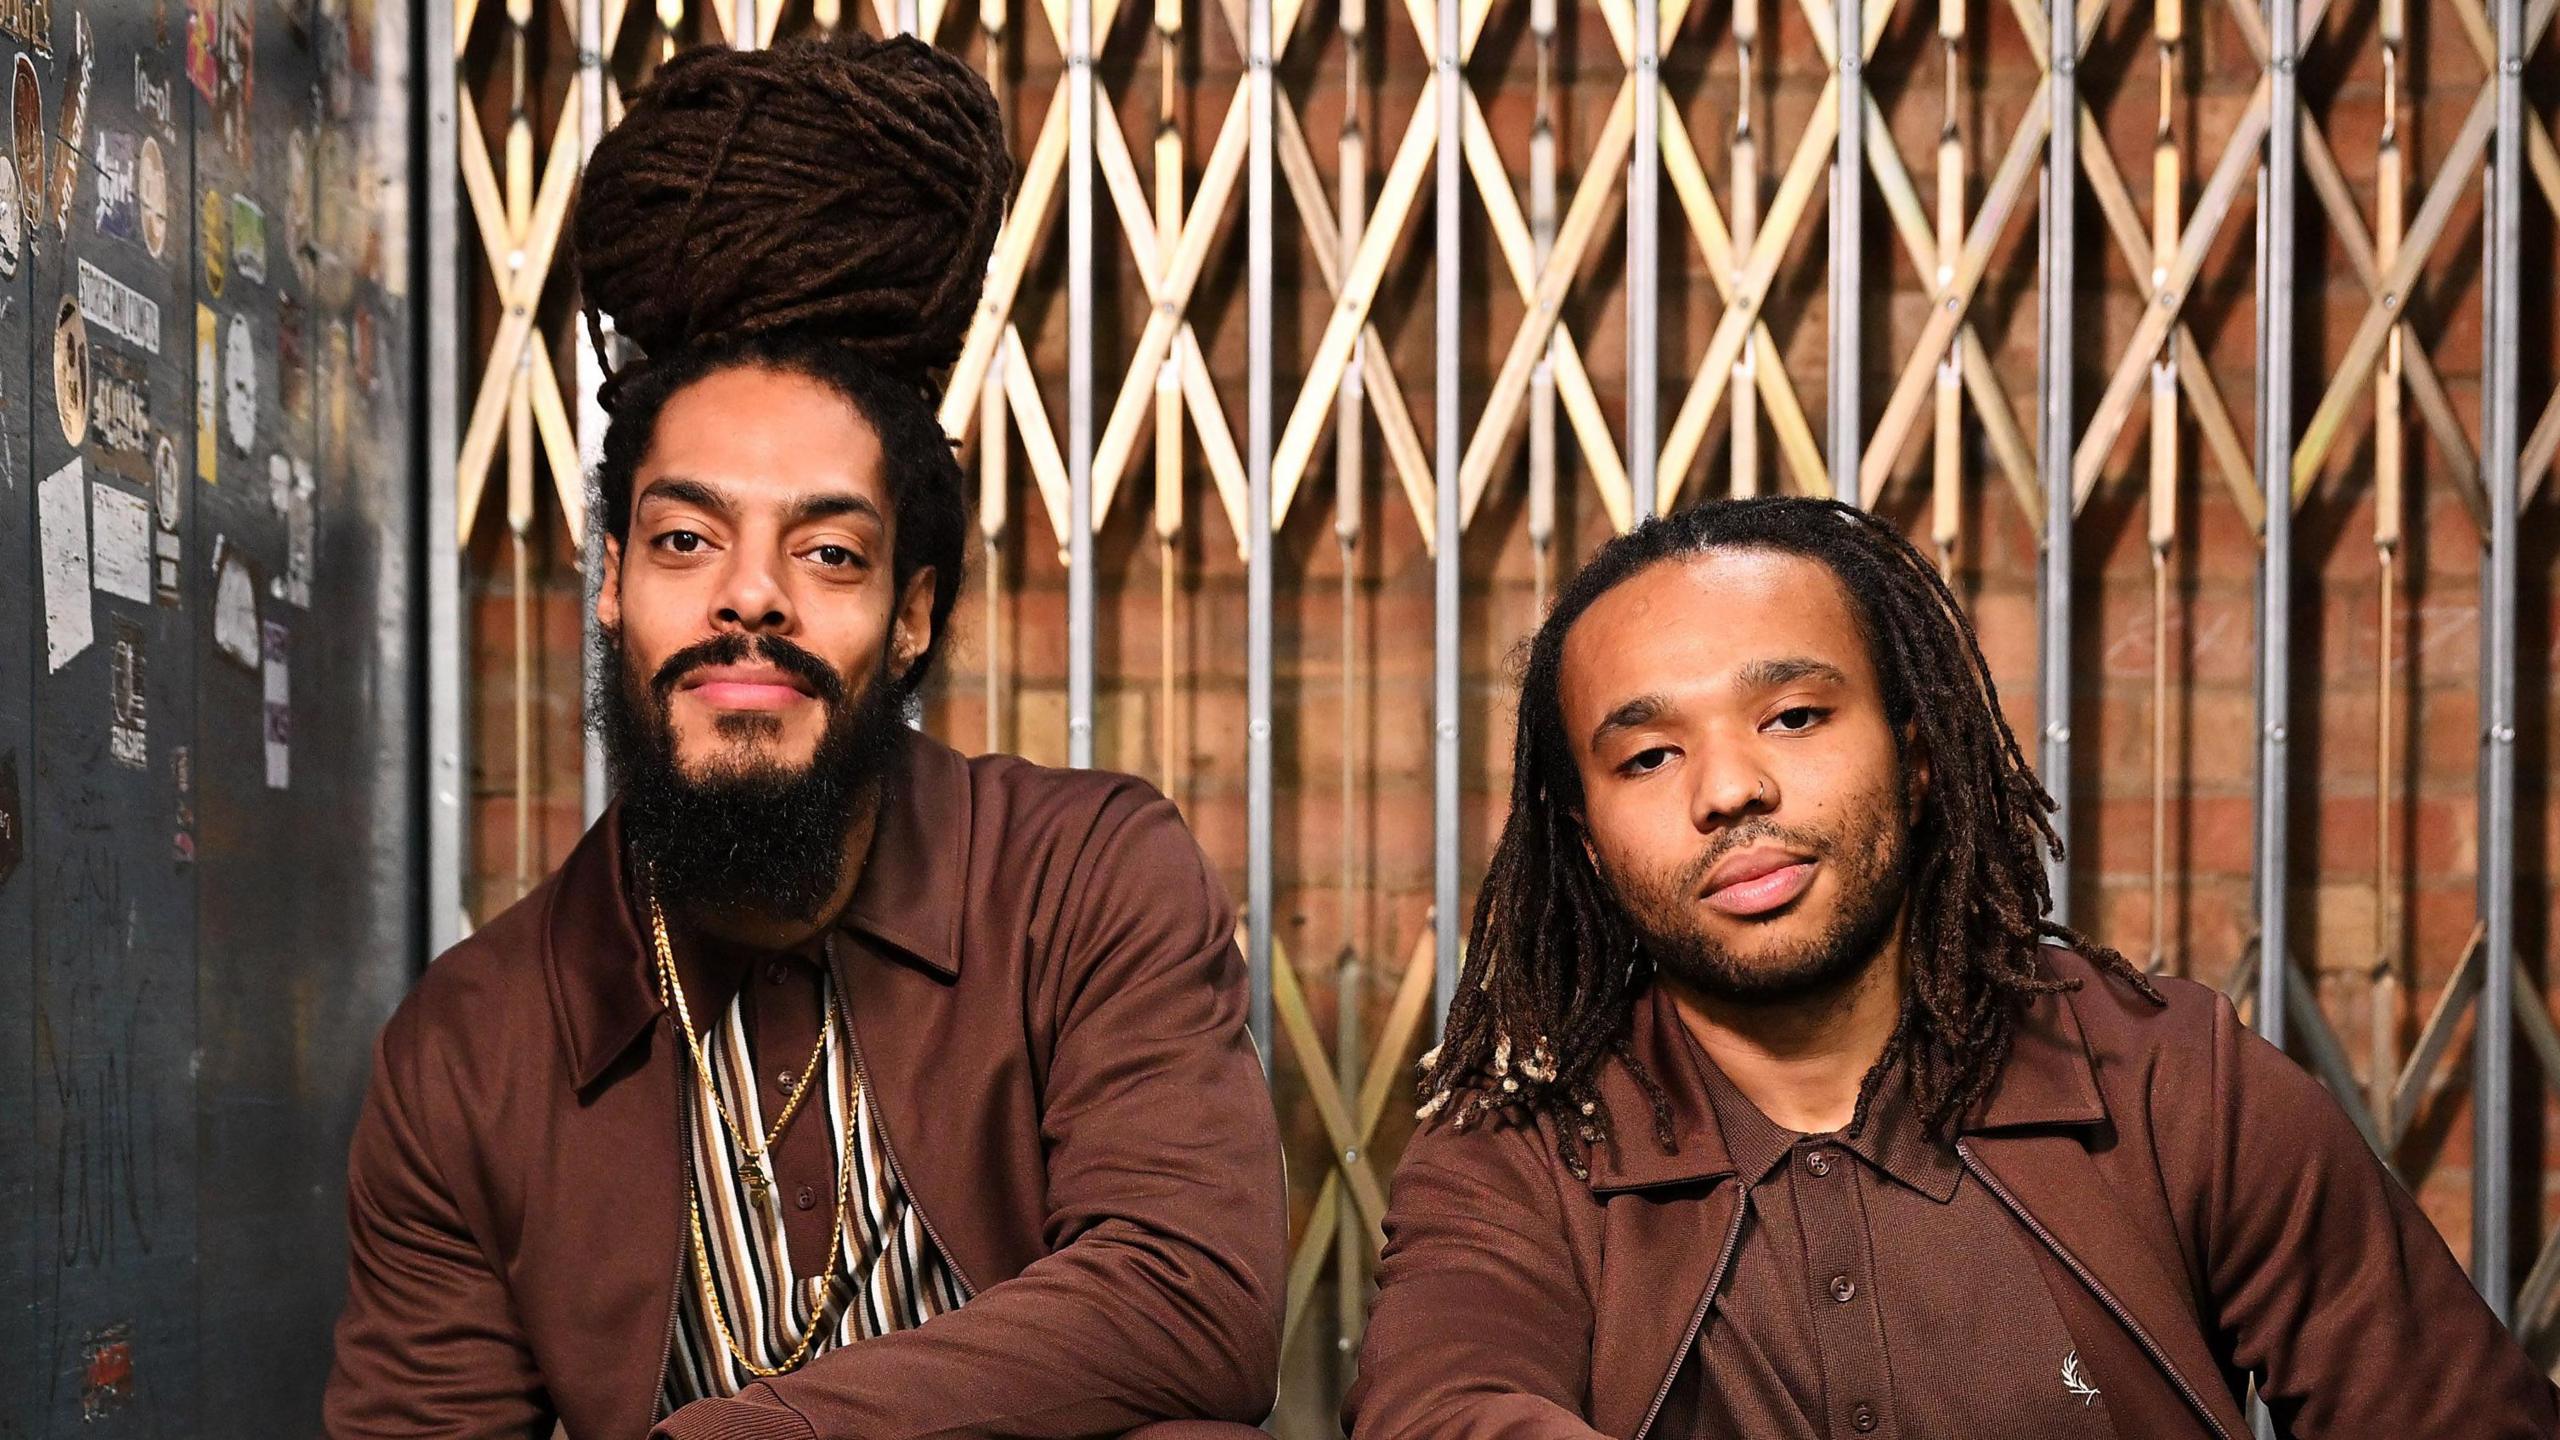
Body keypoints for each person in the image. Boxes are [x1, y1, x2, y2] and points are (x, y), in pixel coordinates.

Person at [325, 34, 1283, 1440]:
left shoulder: (1083, 877)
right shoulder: (468, 1049)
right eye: (683, 538)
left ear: (910, 617)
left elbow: (1195, 1300)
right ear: (608, 586)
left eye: (828, 553)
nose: (749, 596)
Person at [1347, 497, 2553, 1439]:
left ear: (1918, 758)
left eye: (1794, 719)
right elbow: (1442, 1409)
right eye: (1651, 755)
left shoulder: (2169, 1085)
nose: (1729, 791)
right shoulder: (1523, 1152)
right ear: (1588, 844)